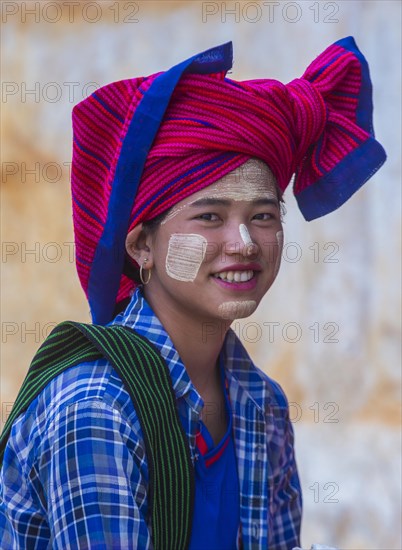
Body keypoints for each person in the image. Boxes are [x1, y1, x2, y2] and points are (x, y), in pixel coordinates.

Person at [0, 37, 386, 549]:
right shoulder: (95, 408)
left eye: (263, 216)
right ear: (142, 246)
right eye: (210, 216)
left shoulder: (261, 406)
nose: (244, 243)